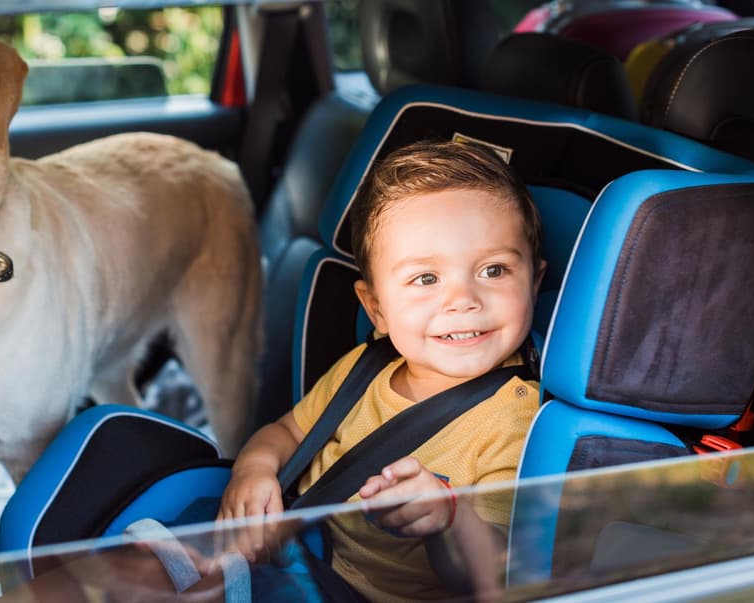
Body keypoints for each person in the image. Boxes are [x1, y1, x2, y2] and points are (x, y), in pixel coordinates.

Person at [217, 138, 546, 601]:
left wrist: (449, 517)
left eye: (493, 270)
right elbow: (285, 432)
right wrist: (252, 470)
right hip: (300, 560)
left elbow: (493, 572)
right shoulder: (365, 367)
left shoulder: (514, 421)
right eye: (426, 279)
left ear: (535, 282)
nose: (463, 300)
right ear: (376, 310)